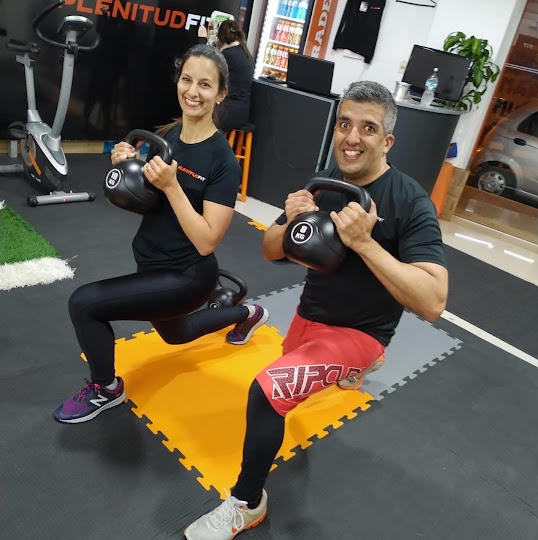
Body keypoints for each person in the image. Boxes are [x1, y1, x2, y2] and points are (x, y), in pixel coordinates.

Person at [183, 81, 449, 539]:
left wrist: (364, 242)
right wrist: (291, 218)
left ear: (387, 141)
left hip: (359, 334)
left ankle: (247, 503)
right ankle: (354, 370)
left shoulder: (409, 201)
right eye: (344, 124)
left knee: (267, 392)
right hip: (308, 318)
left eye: (368, 128)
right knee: (285, 387)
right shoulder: (325, 183)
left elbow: (433, 302)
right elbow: (271, 250)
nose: (351, 137)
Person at [54, 44, 269, 424]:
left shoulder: (222, 161)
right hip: (151, 262)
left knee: (84, 304)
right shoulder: (169, 136)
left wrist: (172, 186)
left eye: (205, 84)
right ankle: (248, 312)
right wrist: (127, 169)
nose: (193, 92)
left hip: (187, 276)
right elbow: (146, 203)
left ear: (221, 94)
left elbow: (207, 240)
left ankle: (106, 388)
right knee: (177, 334)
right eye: (187, 80)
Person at [198, 20, 254, 133]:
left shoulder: (227, 55)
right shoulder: (246, 54)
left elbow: (202, 69)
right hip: (242, 112)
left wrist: (202, 41)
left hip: (225, 113)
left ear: (220, 37)